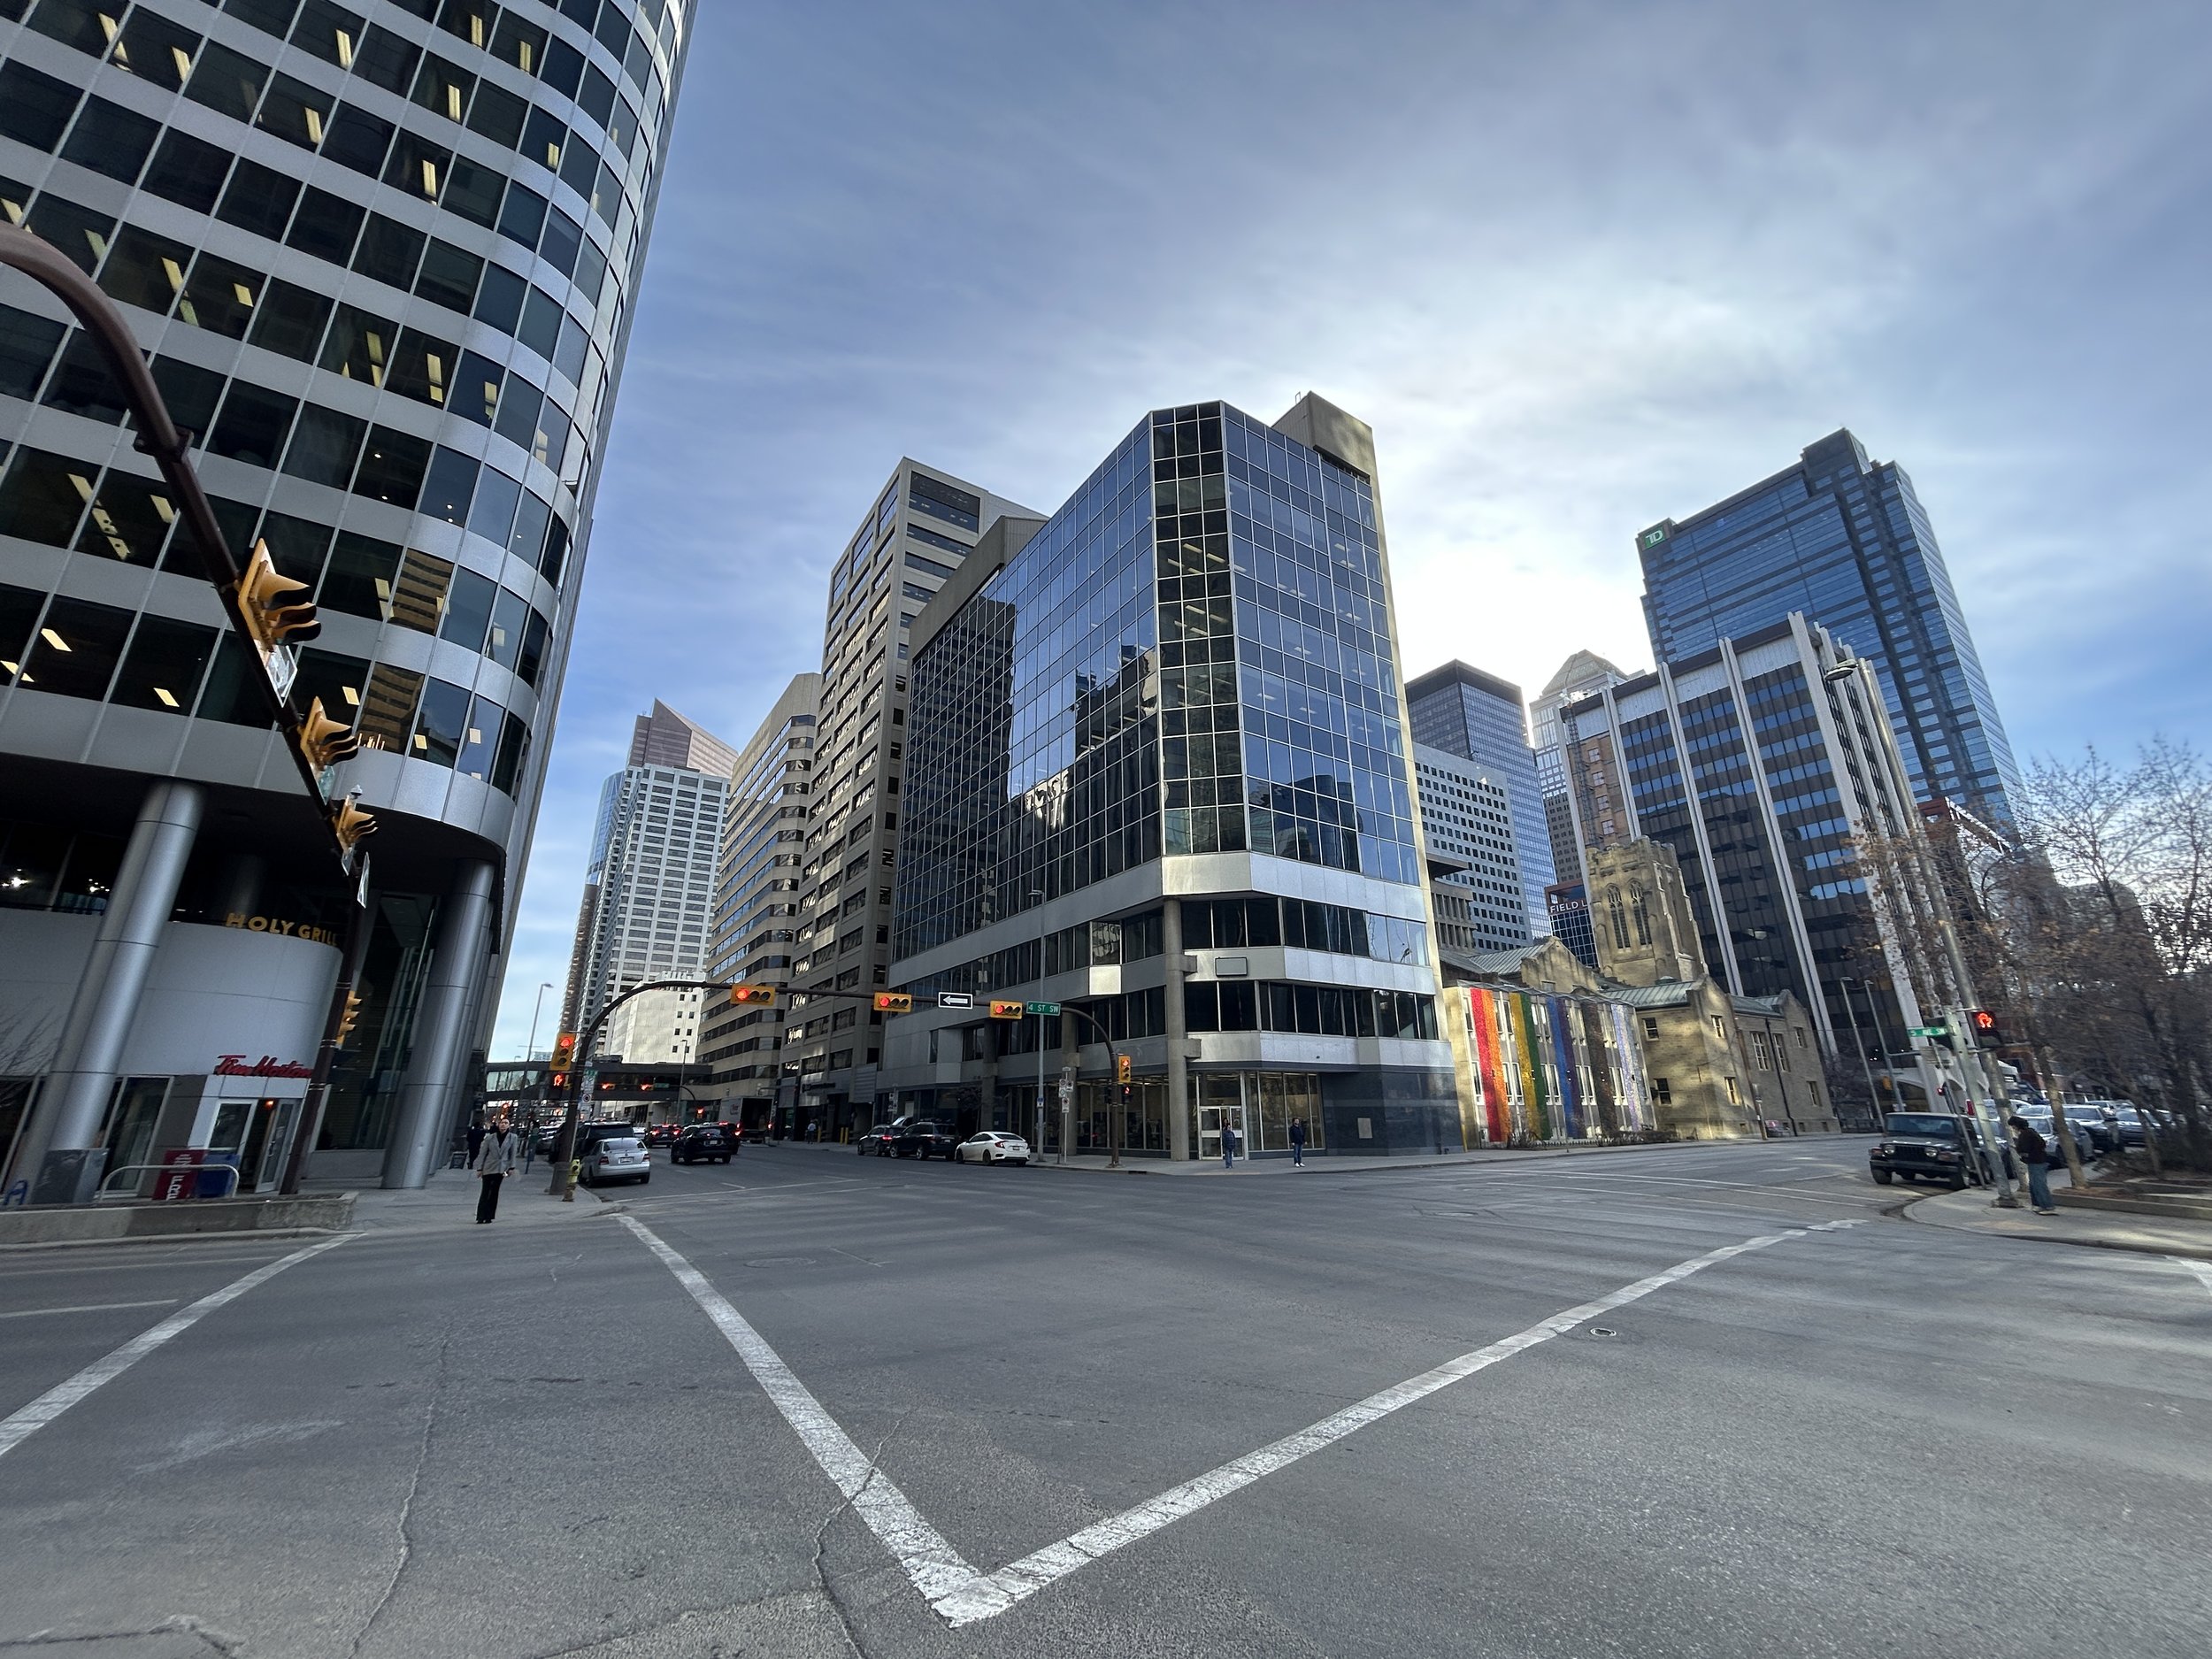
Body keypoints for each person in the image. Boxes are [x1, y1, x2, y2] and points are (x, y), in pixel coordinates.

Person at [2009, 1110, 2058, 1215]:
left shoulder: (2025, 1135)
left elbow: (2024, 1148)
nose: (2013, 1129)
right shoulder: (2031, 1132)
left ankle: (2047, 1206)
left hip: (2036, 1161)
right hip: (2037, 1161)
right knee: (2033, 1184)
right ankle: (2038, 1205)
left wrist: (2017, 1148)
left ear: (2016, 1126)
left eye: (2013, 1127)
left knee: (2039, 1184)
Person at [472, 1117, 519, 1223]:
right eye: (502, 1123)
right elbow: (483, 1153)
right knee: (485, 1191)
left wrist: (512, 1167)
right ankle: (480, 1216)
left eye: (506, 1123)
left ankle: (489, 1216)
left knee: (494, 1191)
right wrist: (479, 1168)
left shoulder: (513, 1138)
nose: (503, 1125)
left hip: (502, 1168)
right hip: (488, 1167)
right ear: (498, 1125)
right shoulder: (490, 1138)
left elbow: (513, 1153)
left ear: (509, 1126)